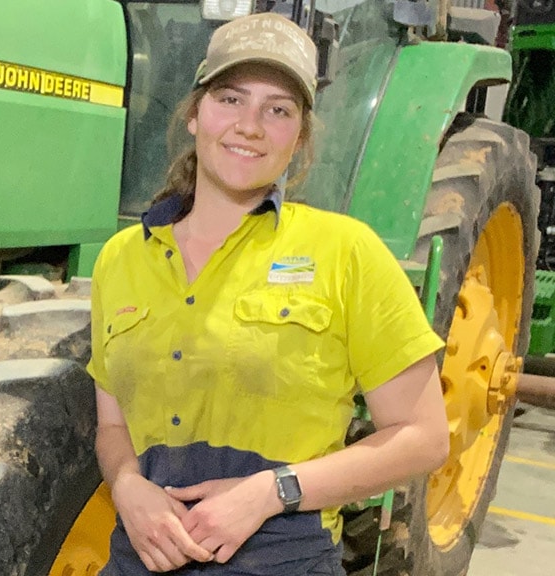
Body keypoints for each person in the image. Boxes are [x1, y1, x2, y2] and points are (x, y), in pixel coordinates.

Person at [87, 11, 450, 575]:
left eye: (277, 109)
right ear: (194, 113)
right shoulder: (120, 259)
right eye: (230, 99)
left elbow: (424, 438)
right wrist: (128, 485)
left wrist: (268, 493)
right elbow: (112, 426)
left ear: (300, 135)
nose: (249, 125)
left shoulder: (345, 253)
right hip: (142, 554)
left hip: (283, 556)